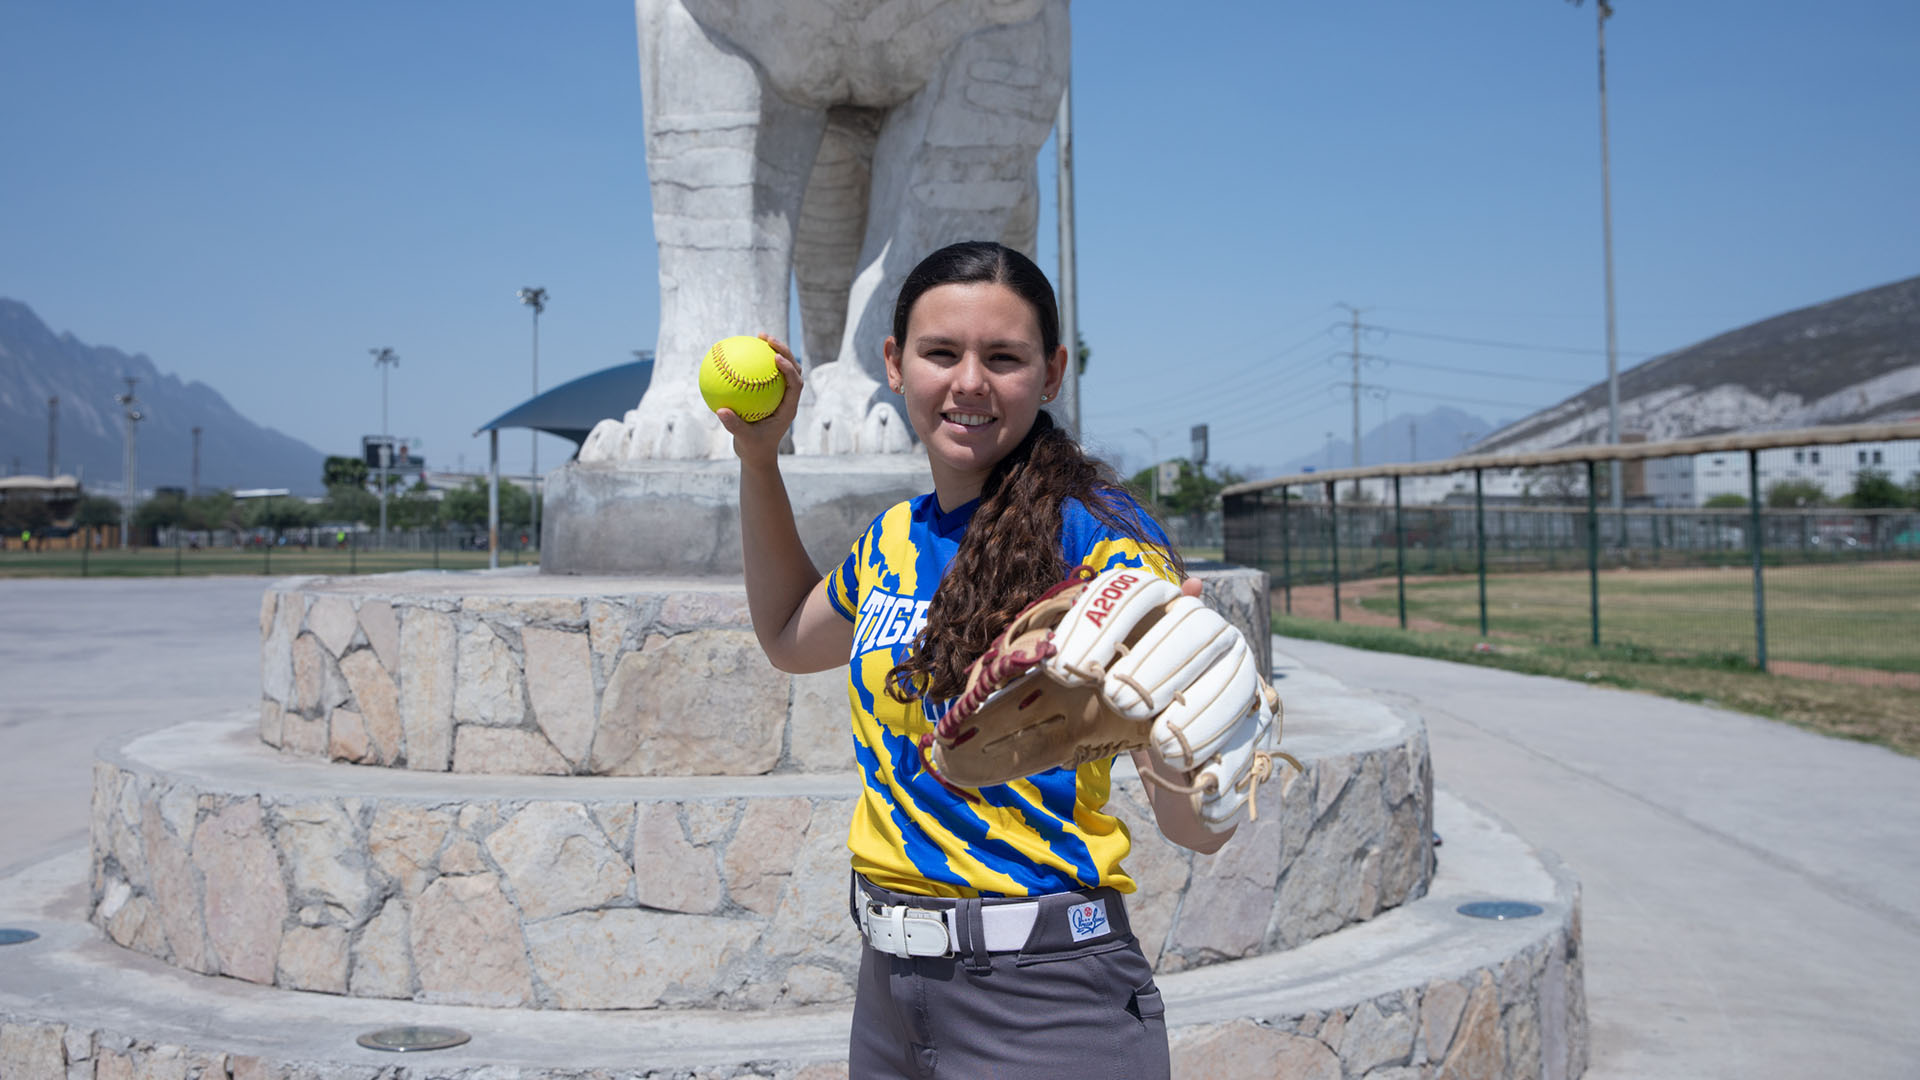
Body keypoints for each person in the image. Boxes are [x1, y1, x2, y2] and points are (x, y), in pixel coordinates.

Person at [720, 241, 1237, 1079]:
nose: (969, 382)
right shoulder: (893, 538)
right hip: (890, 988)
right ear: (893, 365)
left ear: (1053, 370)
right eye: (940, 353)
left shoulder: (1102, 546)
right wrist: (757, 458)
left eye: (1003, 358)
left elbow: (1195, 832)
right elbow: (786, 634)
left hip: (1047, 999)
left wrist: (1188, 732)